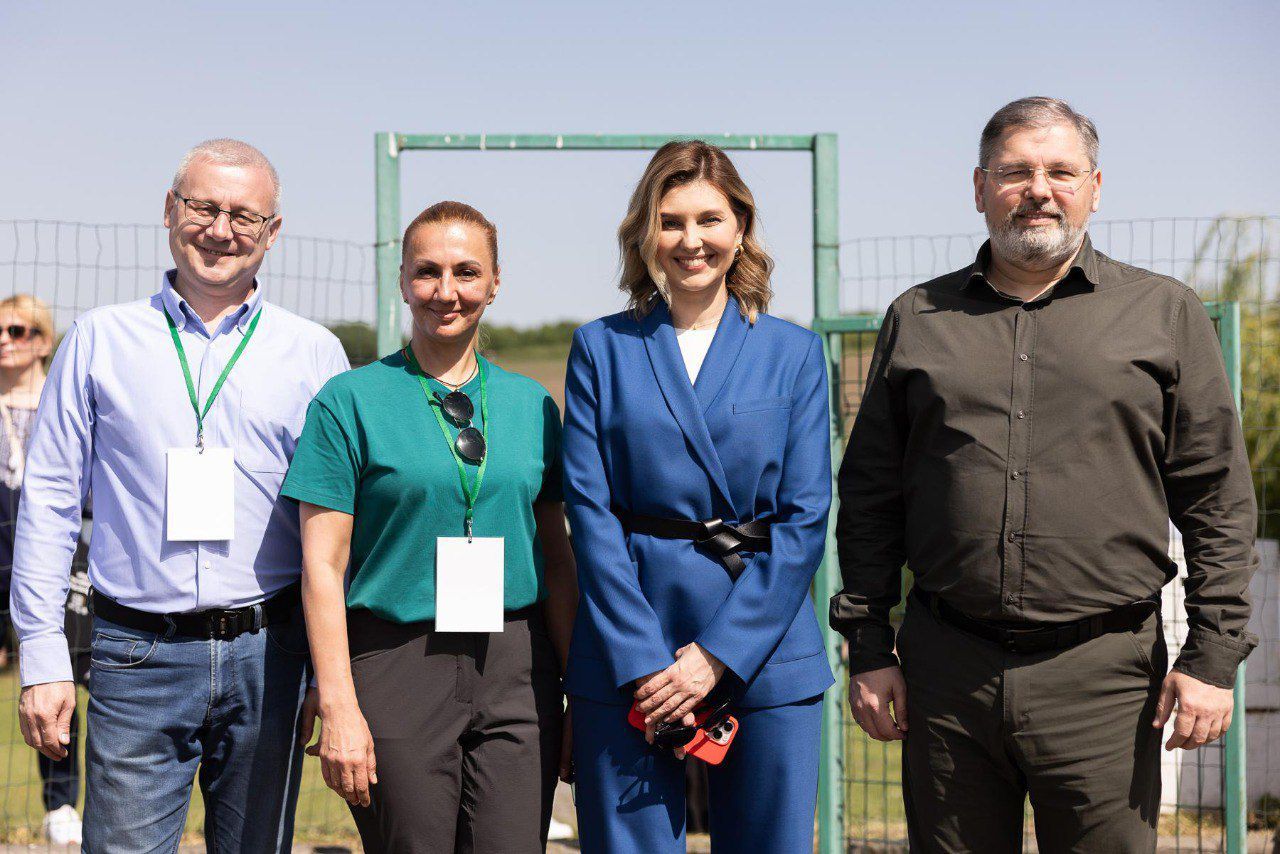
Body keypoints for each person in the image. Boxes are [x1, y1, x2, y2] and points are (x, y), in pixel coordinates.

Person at [831, 97, 1258, 852]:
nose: (1039, 189)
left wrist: (1213, 656)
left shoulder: (1163, 313)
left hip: (1105, 676)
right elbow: (871, 495)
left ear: (1095, 186)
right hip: (948, 672)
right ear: (978, 186)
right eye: (1015, 171)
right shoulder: (918, 317)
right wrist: (868, 646)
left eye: (1061, 171)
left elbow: (1216, 497)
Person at [9, 138, 350, 852]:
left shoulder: (314, 353)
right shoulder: (99, 339)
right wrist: (42, 655)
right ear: (170, 210)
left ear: (272, 232)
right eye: (203, 207)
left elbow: (336, 529)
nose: (221, 230)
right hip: (137, 653)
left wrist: (329, 671)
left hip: (272, 653)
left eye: (244, 216)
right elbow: (48, 500)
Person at [563, 140, 834, 853]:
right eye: (672, 220)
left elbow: (805, 521)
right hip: (632, 650)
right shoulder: (601, 347)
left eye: (709, 219)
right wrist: (648, 661)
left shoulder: (794, 353)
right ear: (647, 232)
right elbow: (589, 512)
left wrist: (716, 655)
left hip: (762, 642)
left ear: (739, 226)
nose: (692, 240)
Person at [282, 200, 577, 853]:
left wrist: (576, 689)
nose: (447, 292)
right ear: (403, 281)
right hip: (395, 658)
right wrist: (339, 704)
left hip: (518, 663)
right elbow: (322, 567)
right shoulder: (348, 401)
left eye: (467, 272)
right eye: (428, 272)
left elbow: (556, 558)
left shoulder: (534, 407)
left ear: (495, 282)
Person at [0, 295, 89, 844]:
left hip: (63, 565)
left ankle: (63, 803)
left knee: (68, 678)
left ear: (44, 340)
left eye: (18, 328)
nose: (6, 339)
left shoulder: (67, 404)